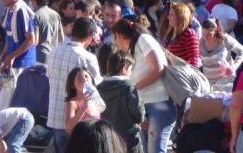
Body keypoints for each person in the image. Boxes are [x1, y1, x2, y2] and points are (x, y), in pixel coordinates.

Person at [112, 19, 176, 153]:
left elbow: (159, 69)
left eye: (115, 38)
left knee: (155, 150)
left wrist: (133, 88)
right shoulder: (132, 49)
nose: (115, 42)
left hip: (158, 103)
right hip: (144, 105)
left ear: (118, 35)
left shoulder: (143, 40)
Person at [47, 17, 103, 153]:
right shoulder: (87, 57)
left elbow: (49, 77)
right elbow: (96, 86)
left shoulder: (53, 52)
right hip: (77, 121)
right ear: (90, 37)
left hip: (55, 116)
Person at [0, 0, 36, 110]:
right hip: (12, 62)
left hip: (22, 64)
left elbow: (31, 40)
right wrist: (3, 57)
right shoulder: (9, 10)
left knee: (12, 102)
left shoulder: (21, 12)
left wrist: (11, 56)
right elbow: (10, 38)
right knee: (4, 100)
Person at [97, 51, 144, 153]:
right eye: (131, 69)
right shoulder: (129, 87)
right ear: (124, 68)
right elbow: (138, 113)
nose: (131, 72)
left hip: (107, 137)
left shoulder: (99, 88)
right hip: (129, 139)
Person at [199, 18, 243, 87]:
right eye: (203, 33)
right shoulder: (200, 42)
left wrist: (233, 67)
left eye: (209, 34)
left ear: (216, 31)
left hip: (227, 83)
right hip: (209, 85)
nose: (205, 37)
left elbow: (242, 51)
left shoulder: (224, 39)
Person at [28, 0, 64, 64]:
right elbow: (61, 38)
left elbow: (35, 41)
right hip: (54, 55)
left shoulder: (35, 16)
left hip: (40, 56)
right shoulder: (56, 14)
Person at [64, 67, 103, 133]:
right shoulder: (73, 103)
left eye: (86, 76)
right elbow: (68, 128)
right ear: (72, 85)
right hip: (81, 140)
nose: (84, 79)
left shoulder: (94, 100)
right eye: (79, 77)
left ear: (92, 80)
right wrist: (83, 108)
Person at [161, 2, 200, 67]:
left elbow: (194, 60)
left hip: (183, 75)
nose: (168, 17)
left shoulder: (189, 34)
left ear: (180, 17)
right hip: (172, 73)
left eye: (171, 15)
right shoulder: (171, 34)